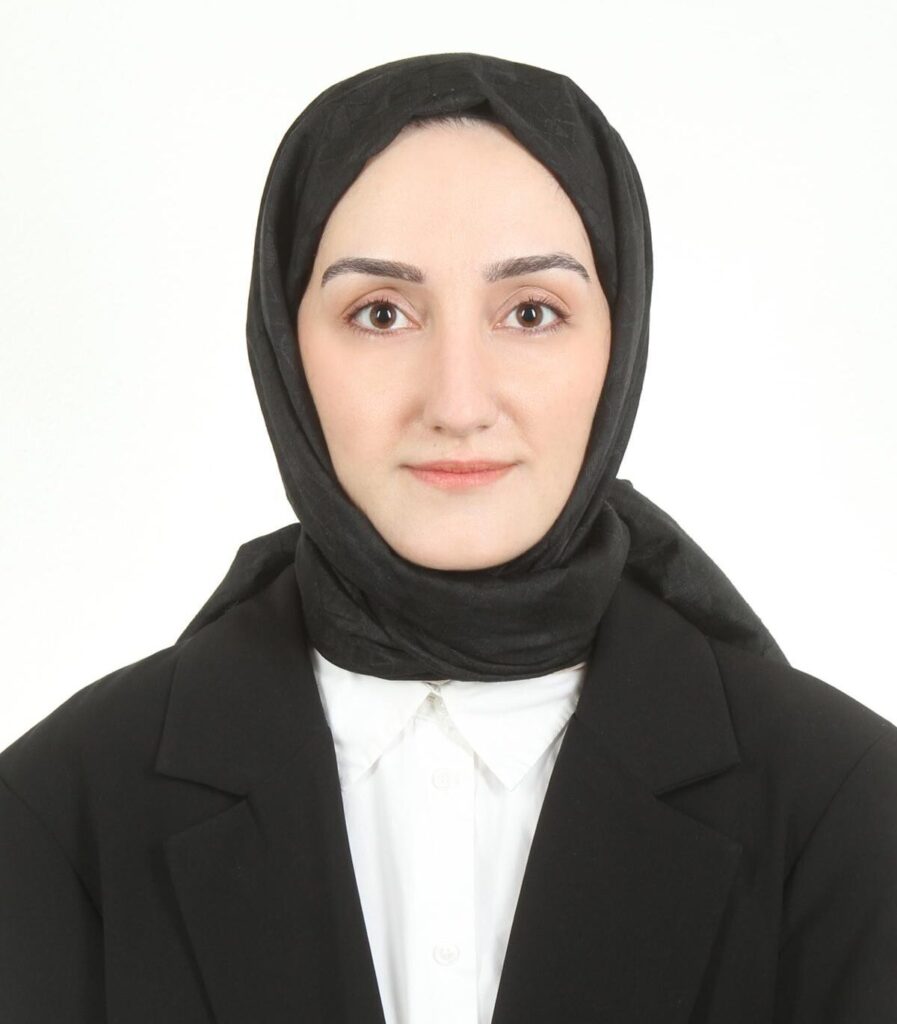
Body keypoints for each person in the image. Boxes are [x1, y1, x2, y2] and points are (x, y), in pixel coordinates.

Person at [1, 51, 895, 1024]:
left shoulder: (851, 813)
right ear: (285, 346)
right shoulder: (55, 817)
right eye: (381, 313)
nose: (458, 403)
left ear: (619, 339)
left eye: (531, 312)